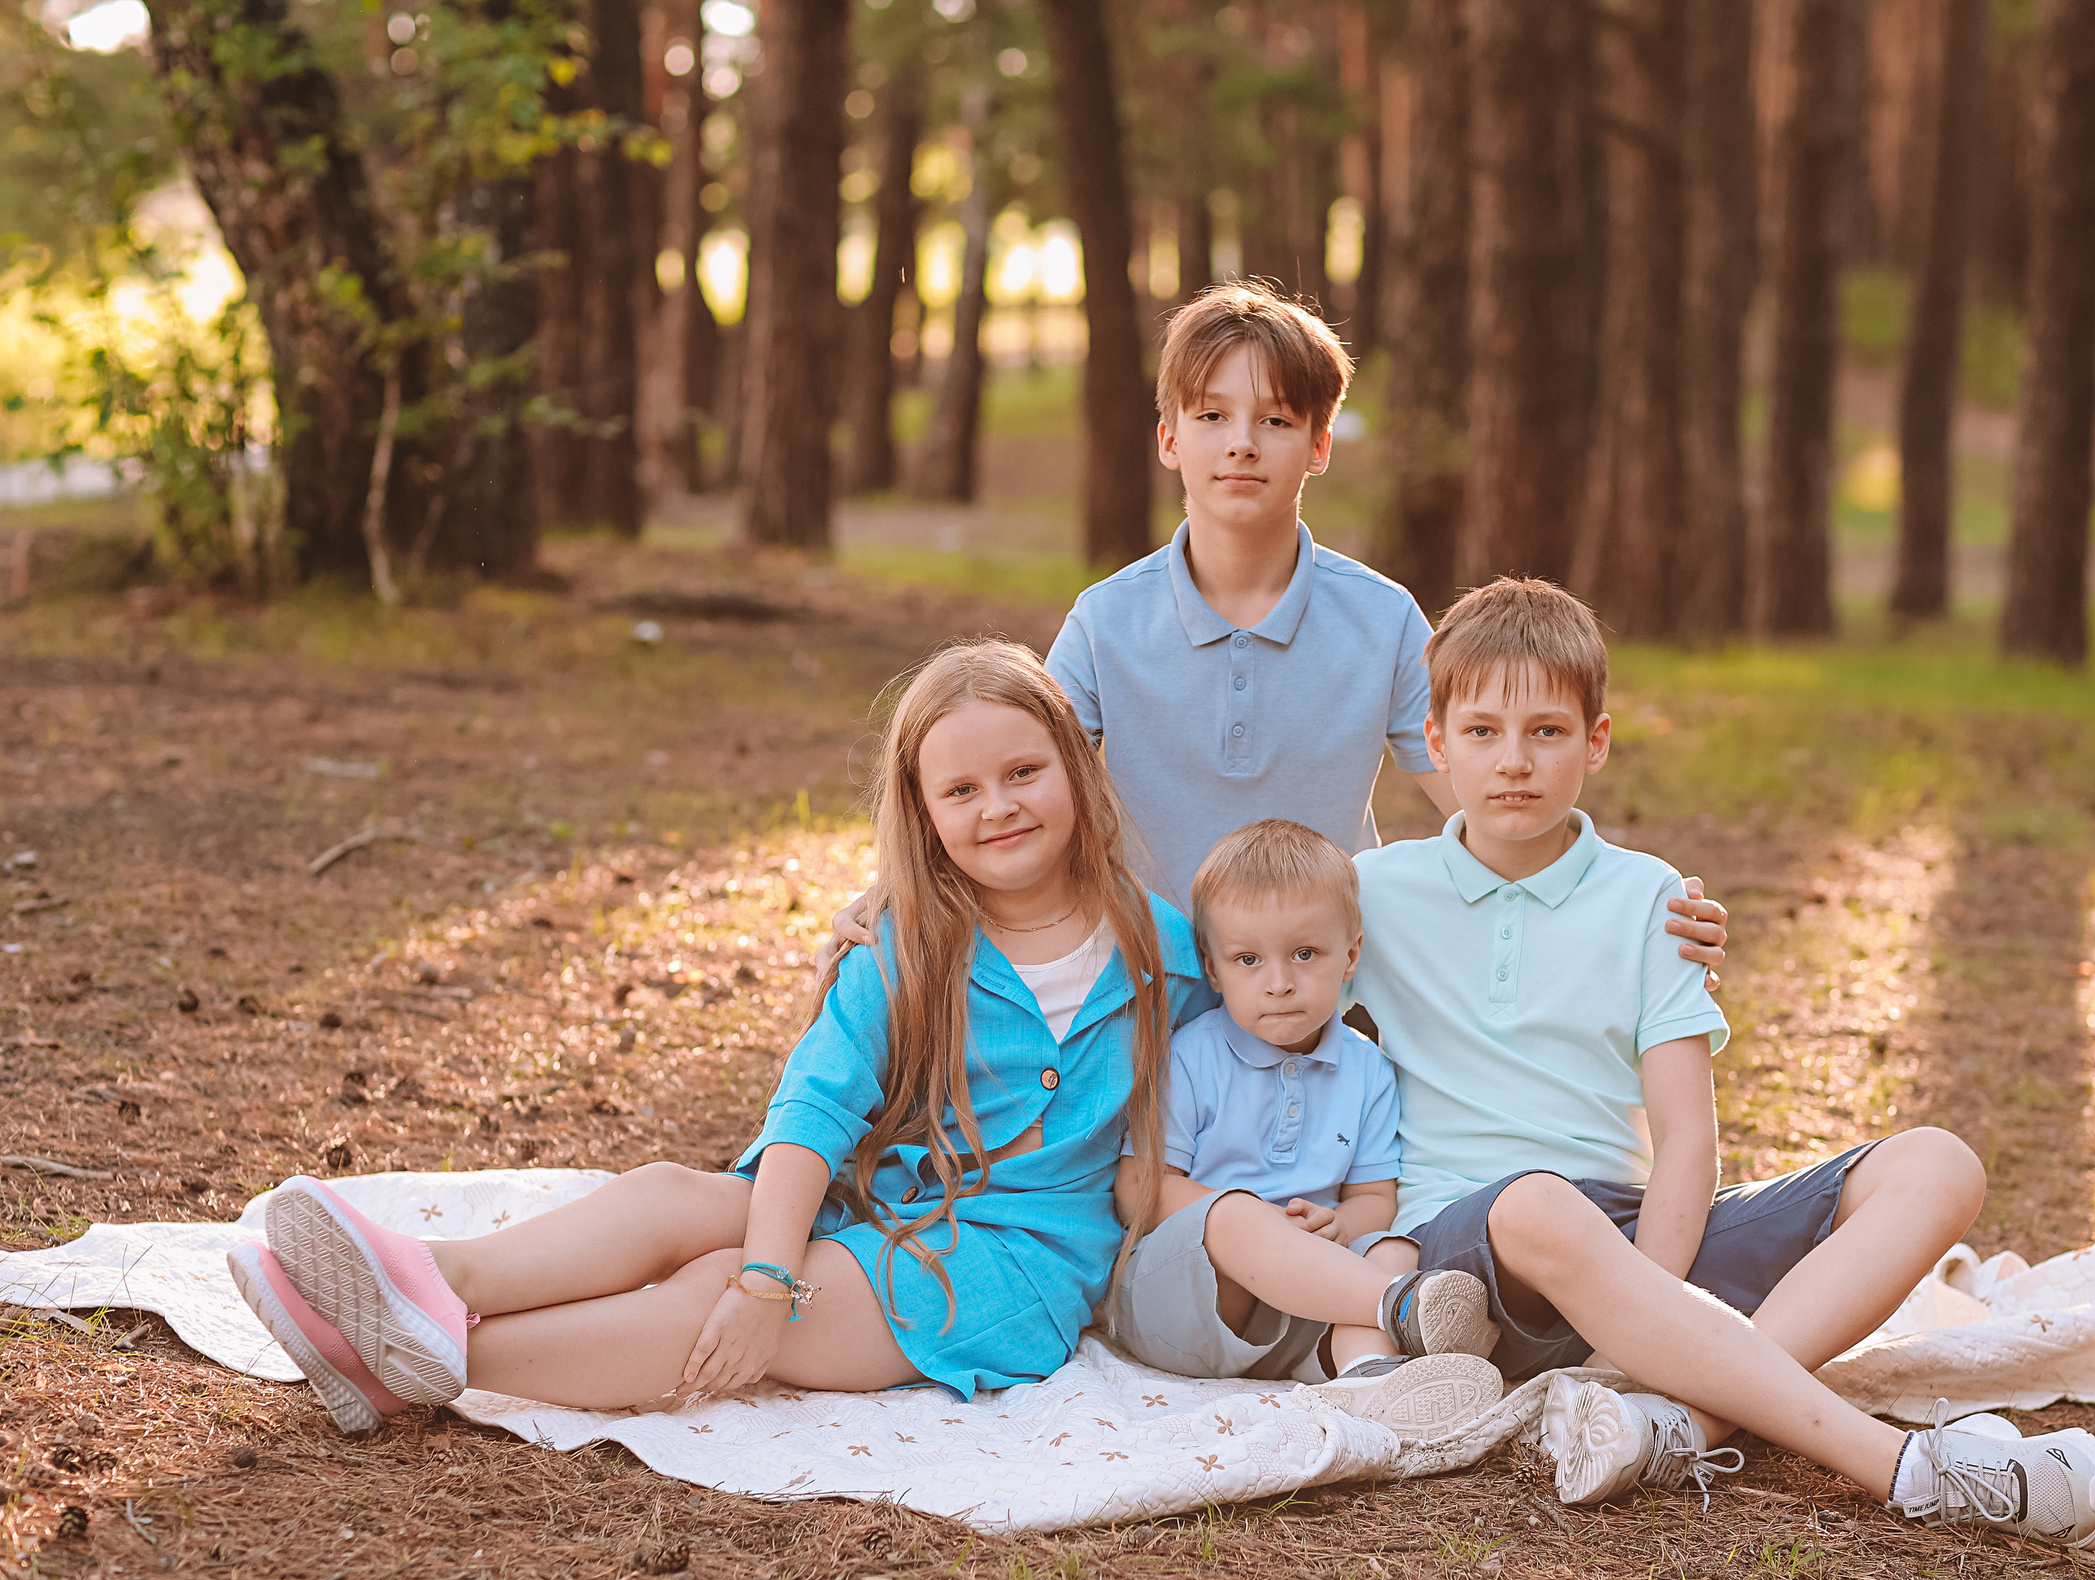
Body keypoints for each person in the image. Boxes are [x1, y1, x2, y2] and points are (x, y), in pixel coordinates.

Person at [228, 641, 1234, 1428]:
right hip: (879, 1200)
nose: (1000, 806)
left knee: (726, 1295)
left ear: (1074, 765)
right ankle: (428, 1281)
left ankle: (411, 1361)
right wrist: (772, 1254)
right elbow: (816, 1104)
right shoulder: (912, 942)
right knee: (677, 1198)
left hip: (1010, 1268)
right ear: (924, 814)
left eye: (1024, 772)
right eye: (962, 791)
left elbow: (1241, 1080)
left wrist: (761, 1285)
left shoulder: (1166, 954)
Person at [1346, 578, 2095, 1548]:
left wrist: (1643, 1300)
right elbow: (1252, 985)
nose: (1513, 762)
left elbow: (1684, 1136)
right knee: (1538, 1203)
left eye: (1546, 732)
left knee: (1938, 1165)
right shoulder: (1372, 892)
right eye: (1484, 732)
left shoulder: (1650, 898)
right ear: (1436, 741)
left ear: (1596, 743)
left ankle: (1677, 1419)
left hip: (1636, 1234)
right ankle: (1907, 1468)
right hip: (1474, 1252)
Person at [835, 280, 1732, 976]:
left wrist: (1631, 899)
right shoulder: (1108, 621)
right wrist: (891, 895)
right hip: (1153, 981)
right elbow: (1010, 784)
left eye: (1275, 421)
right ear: (1168, 440)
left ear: (1320, 447)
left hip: (1328, 983)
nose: (1241, 443)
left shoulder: (1381, 619)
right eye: (1212, 416)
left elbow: (1496, 796)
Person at [1106, 818, 1500, 1439]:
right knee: (1238, 1219)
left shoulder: (1367, 1069)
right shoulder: (1190, 1055)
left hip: (1307, 1313)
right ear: (1213, 969)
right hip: (1193, 1306)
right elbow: (1138, 1187)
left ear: (1350, 955)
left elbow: (1373, 1198)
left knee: (1395, 1247)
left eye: (1305, 954)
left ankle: (1371, 1378)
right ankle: (1402, 1308)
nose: (1280, 981)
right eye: (1248, 960)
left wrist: (1342, 1226)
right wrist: (1250, 1224)